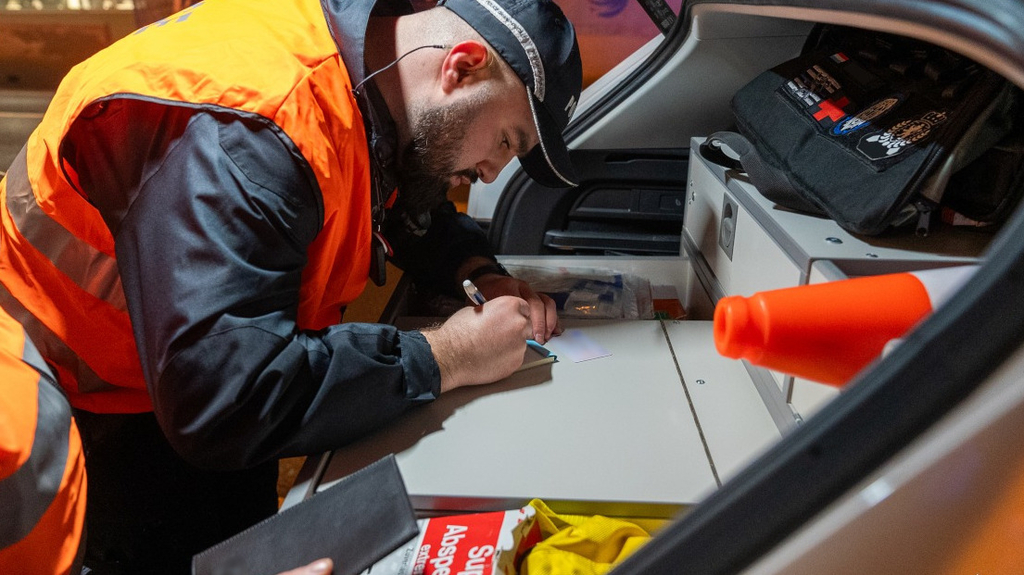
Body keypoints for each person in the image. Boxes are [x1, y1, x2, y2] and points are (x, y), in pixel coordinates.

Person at [0, 0, 582, 572]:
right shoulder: (253, 130)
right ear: (462, 66)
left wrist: (476, 270)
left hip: (181, 365)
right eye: (507, 140)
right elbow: (225, 398)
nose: (491, 171)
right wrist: (448, 355)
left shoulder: (369, 65)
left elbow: (396, 190)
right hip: (77, 402)